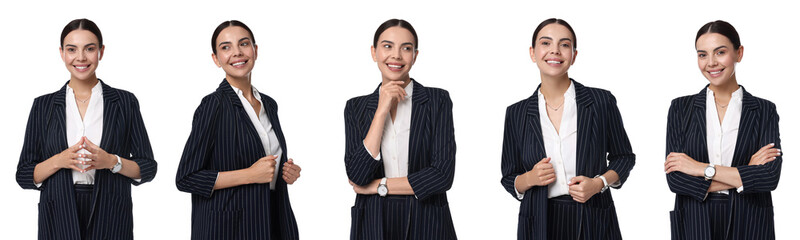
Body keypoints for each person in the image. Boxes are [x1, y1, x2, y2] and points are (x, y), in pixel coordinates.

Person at [16, 18, 157, 240]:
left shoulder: (125, 102)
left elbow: (148, 168)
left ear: (101, 52)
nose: (80, 57)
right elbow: (24, 174)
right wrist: (59, 160)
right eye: (72, 49)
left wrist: (112, 162)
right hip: (58, 212)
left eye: (89, 49)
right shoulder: (42, 106)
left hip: (111, 212)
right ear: (62, 53)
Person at [500, 18, 635, 240]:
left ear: (574, 55)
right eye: (546, 43)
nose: (555, 51)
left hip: (594, 218)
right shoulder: (516, 113)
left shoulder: (600, 101)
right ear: (533, 53)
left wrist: (599, 183)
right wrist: (530, 178)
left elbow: (624, 157)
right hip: (539, 221)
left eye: (564, 44)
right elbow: (508, 176)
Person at [175, 20, 301, 239]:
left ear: (255, 50)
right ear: (216, 59)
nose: (237, 52)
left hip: (273, 220)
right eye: (226, 47)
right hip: (229, 228)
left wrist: (286, 173)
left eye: (243, 44)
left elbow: (266, 165)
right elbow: (186, 177)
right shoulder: (213, 105)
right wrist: (250, 175)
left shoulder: (269, 105)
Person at [664, 20, 782, 240]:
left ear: (739, 53)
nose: (711, 63)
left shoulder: (764, 110)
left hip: (751, 220)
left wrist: (701, 168)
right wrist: (744, 173)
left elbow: (769, 177)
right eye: (702, 55)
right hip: (694, 221)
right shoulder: (680, 108)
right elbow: (676, 180)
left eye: (720, 52)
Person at [344, 19, 457, 239]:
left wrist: (378, 186)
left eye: (406, 48)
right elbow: (357, 175)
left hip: (428, 220)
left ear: (415, 55)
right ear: (374, 52)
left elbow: (442, 175)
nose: (396, 55)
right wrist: (381, 110)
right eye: (387, 46)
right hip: (373, 222)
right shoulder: (355, 107)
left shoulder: (437, 100)